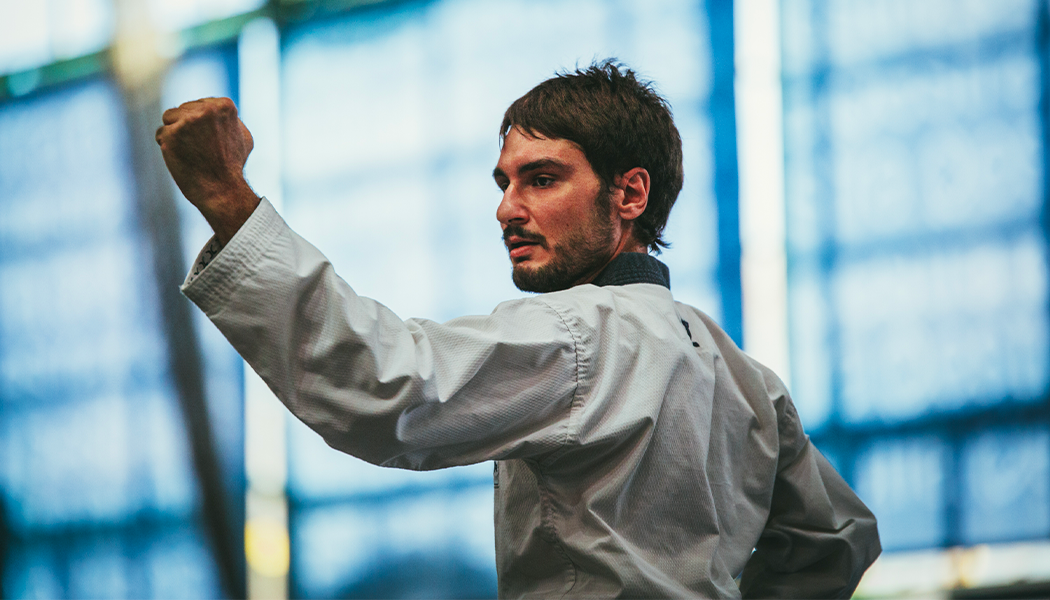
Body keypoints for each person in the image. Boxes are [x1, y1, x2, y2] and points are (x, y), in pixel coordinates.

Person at [156, 61, 880, 598]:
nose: (506, 209)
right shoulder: (744, 376)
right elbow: (837, 538)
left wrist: (229, 201)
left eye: (540, 179)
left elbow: (389, 390)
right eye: (503, 183)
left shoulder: (579, 334)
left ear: (629, 193)